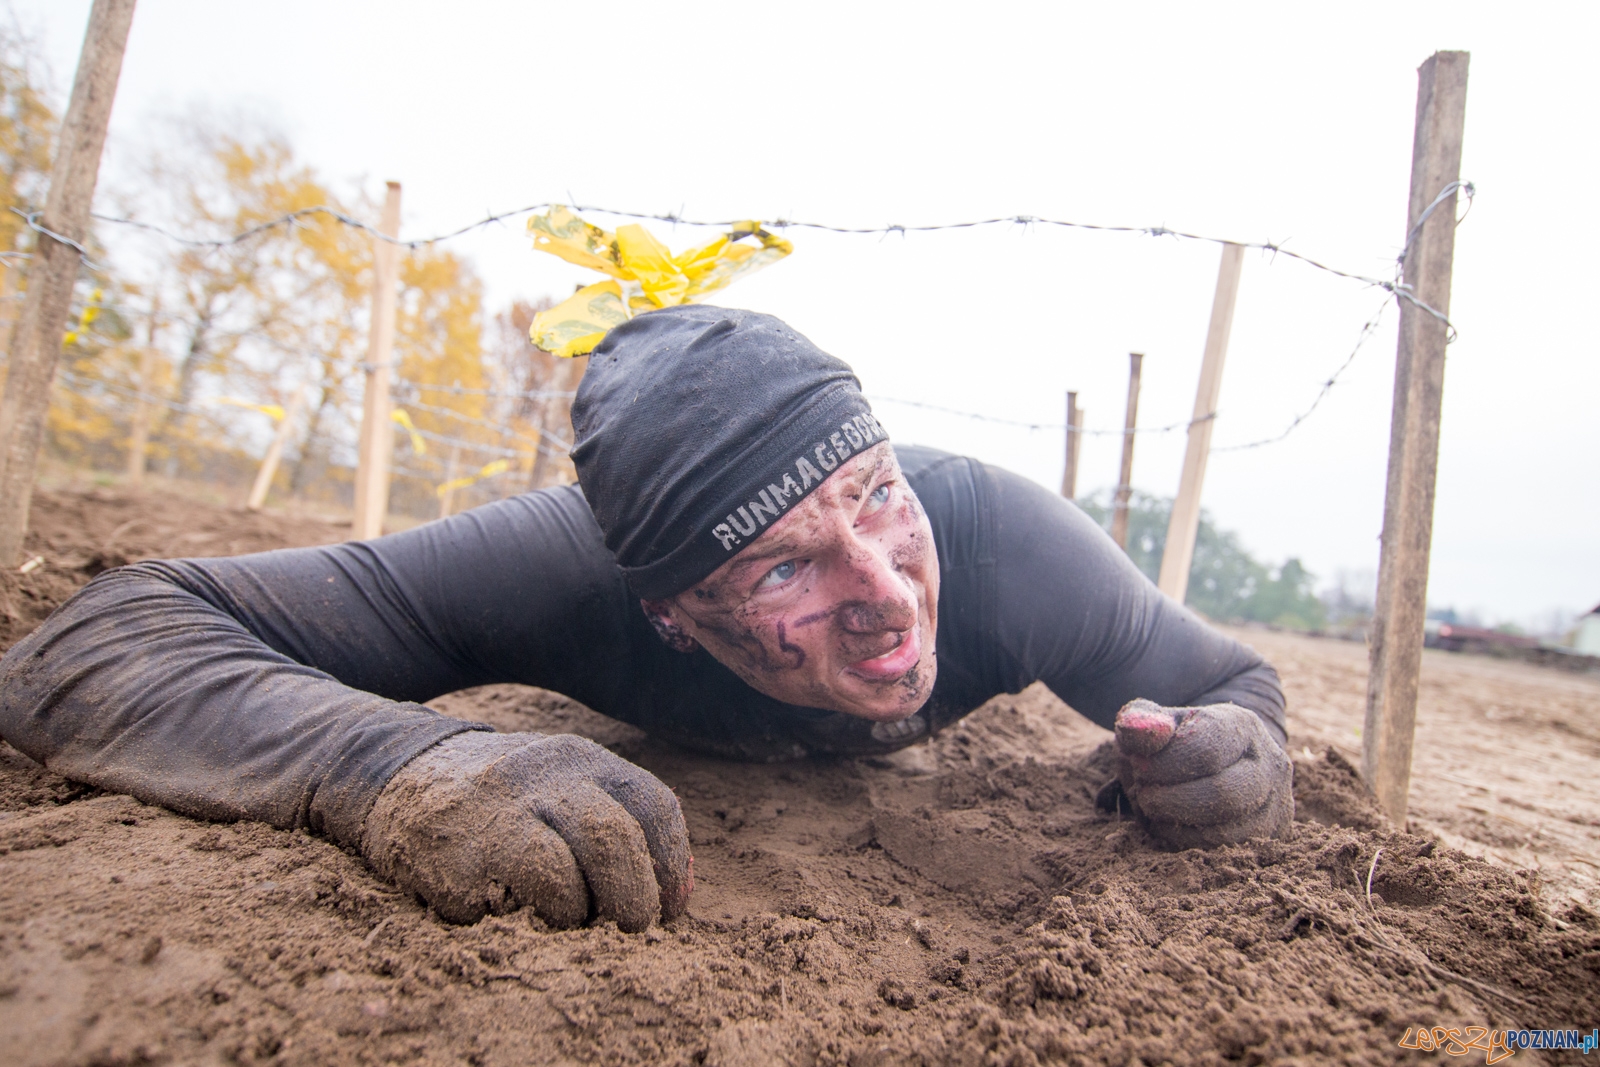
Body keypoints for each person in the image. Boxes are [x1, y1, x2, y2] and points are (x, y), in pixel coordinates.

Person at [0, 306, 1292, 933]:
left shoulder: (1009, 544)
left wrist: (1226, 760)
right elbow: (101, 638)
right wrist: (401, 764)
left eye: (876, 496)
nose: (891, 592)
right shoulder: (552, 572)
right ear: (667, 612)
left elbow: (1233, 687)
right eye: (782, 571)